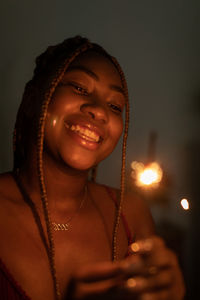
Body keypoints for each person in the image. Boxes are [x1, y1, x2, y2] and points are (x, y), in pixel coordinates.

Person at [0, 36, 185, 300]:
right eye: (78, 87)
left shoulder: (132, 216)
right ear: (33, 100)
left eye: (114, 106)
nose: (99, 111)